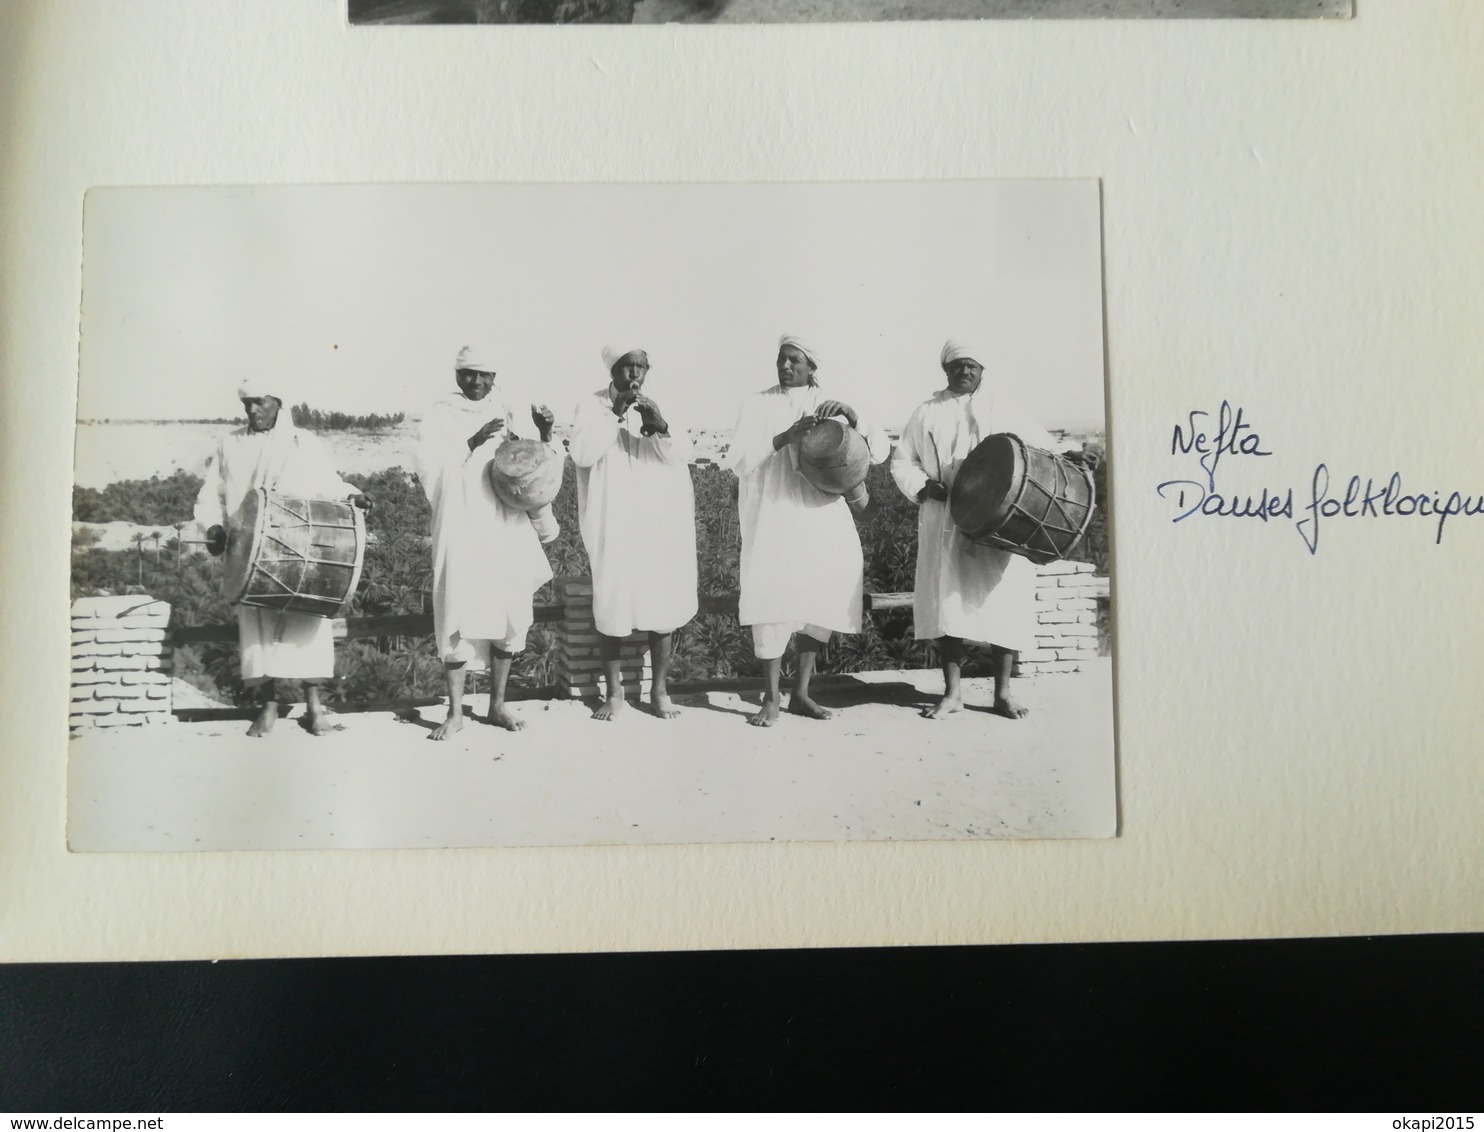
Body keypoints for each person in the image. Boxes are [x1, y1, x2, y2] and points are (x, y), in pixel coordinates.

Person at [891, 338, 1096, 720]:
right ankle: (952, 693)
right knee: (947, 603)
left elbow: (1041, 447)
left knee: (1006, 604)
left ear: (983, 369)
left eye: (972, 365)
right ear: (946, 369)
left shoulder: (1004, 407)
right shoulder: (926, 412)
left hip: (1002, 519)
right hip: (946, 516)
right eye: (958, 365)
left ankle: (1002, 693)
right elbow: (903, 461)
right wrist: (922, 486)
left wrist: (1068, 454)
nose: (965, 371)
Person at [721, 335, 890, 727]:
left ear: (812, 367)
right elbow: (737, 460)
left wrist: (852, 414)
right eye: (781, 359)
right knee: (772, 600)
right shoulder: (757, 403)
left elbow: (879, 450)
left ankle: (801, 693)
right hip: (775, 514)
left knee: (821, 598)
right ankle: (771, 697)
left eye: (794, 360)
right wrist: (785, 437)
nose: (785, 367)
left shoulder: (830, 401)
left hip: (822, 514)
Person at [193, 376, 370, 737]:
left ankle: (315, 708)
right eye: (247, 404)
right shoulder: (231, 444)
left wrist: (353, 495)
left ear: (278, 402)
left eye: (260, 402)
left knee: (308, 624)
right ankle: (268, 706)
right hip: (249, 552)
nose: (252, 410)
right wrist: (213, 527)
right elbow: (211, 493)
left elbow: (328, 482)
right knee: (256, 628)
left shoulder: (302, 441)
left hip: (300, 548)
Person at [413, 344, 559, 740]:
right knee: (457, 610)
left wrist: (544, 433)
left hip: (505, 526)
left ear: (495, 377)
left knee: (508, 610)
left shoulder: (510, 409)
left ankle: (497, 705)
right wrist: (470, 442)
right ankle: (456, 712)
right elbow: (428, 469)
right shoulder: (441, 413)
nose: (476, 382)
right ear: (456, 375)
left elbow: (535, 468)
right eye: (468, 374)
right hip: (460, 525)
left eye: (484, 374)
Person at [569, 344, 698, 721]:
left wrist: (660, 426)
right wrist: (615, 414)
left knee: (661, 601)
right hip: (614, 518)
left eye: (641, 367)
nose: (634, 375)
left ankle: (659, 692)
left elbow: (683, 454)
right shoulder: (591, 406)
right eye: (627, 367)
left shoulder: (663, 400)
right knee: (612, 598)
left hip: (658, 518)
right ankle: (614, 694)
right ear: (613, 369)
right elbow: (581, 454)